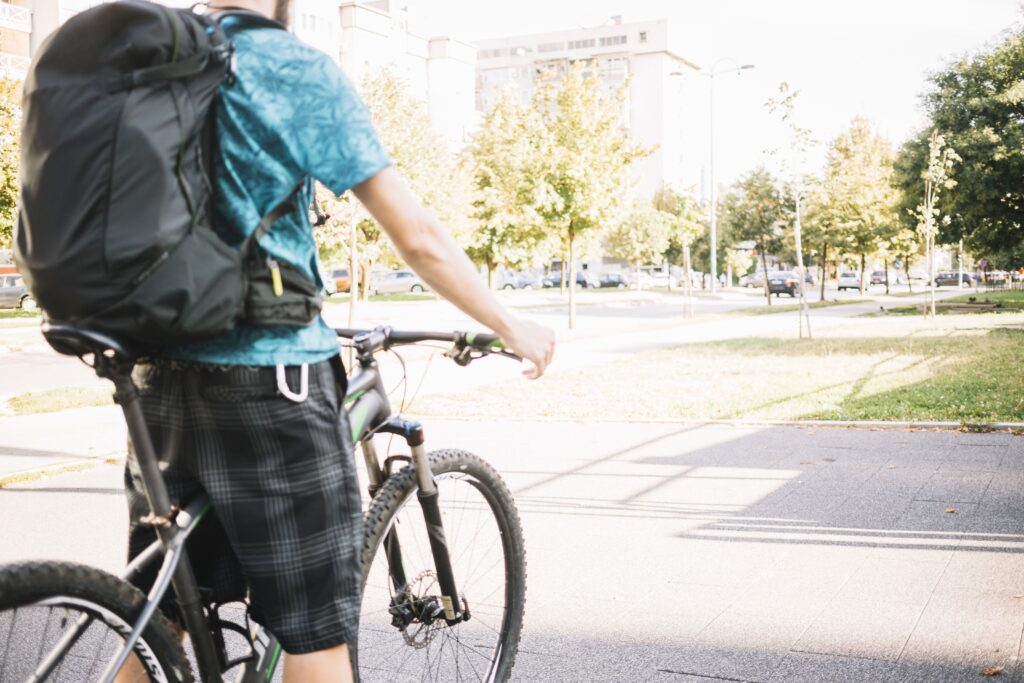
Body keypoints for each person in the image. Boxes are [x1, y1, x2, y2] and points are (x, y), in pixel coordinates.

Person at [116, 0, 555, 680]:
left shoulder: (148, 62)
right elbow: (417, 236)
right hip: (269, 381)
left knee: (160, 627)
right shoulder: (292, 68)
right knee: (316, 637)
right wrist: (510, 324)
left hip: (152, 377)